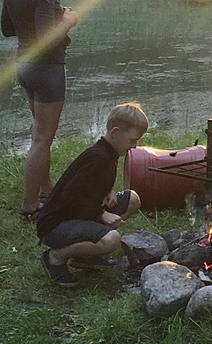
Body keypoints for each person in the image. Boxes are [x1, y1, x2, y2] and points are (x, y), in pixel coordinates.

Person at [1, 0, 79, 220]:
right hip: (47, 70)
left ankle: (48, 189)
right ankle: (30, 206)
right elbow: (48, 42)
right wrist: (68, 21)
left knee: (40, 134)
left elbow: (7, 28)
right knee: (42, 139)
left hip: (24, 66)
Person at [34, 102, 148, 287]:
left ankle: (87, 256)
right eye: (132, 140)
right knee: (112, 239)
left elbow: (91, 184)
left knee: (132, 199)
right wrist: (101, 214)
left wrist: (108, 191)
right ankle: (55, 257)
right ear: (115, 133)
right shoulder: (98, 158)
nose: (134, 146)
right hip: (55, 224)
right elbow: (69, 196)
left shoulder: (109, 152)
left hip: (80, 214)